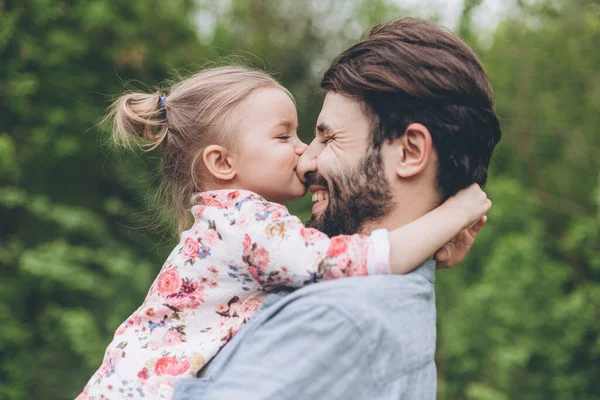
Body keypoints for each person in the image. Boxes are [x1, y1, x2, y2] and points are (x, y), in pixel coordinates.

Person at [76, 64, 490, 400]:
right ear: (221, 163)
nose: (305, 153)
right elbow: (351, 258)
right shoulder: (246, 221)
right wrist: (454, 212)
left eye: (323, 136)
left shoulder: (234, 224)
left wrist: (432, 247)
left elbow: (339, 260)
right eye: (284, 136)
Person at [173, 17, 502, 400]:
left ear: (410, 151)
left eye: (328, 138)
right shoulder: (390, 302)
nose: (306, 161)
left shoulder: (334, 319)